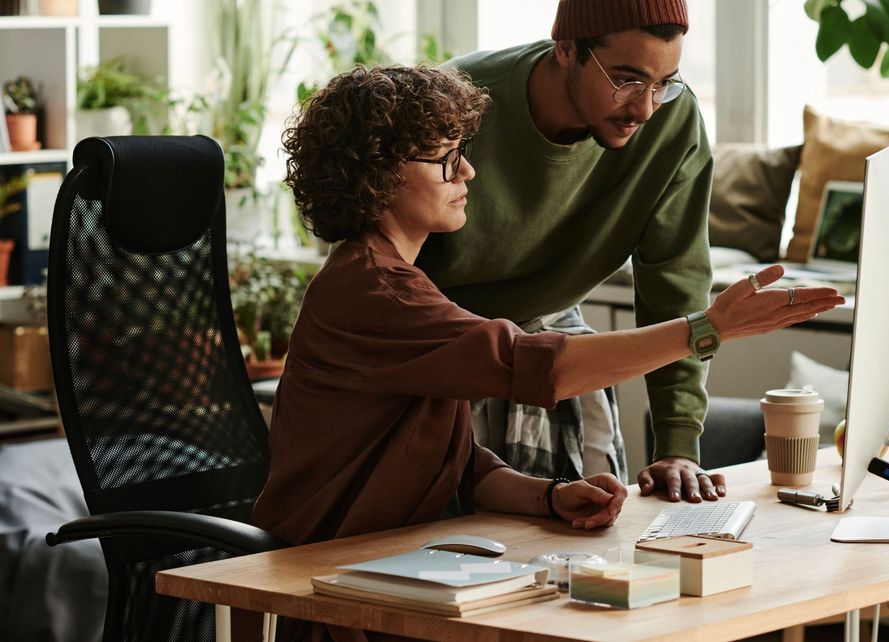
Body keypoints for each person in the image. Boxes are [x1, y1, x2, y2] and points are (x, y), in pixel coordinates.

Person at [253, 65, 842, 552]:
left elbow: (456, 467)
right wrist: (706, 329)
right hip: (323, 581)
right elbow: (541, 367)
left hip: (387, 562)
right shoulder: (375, 293)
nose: (468, 171)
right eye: (446, 159)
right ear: (376, 178)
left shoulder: (395, 277)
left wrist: (549, 495)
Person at [417, 0, 726, 502]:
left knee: (596, 540)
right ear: (566, 49)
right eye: (627, 79)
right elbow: (377, 275)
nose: (645, 108)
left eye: (663, 82)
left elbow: (677, 285)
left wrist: (678, 445)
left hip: (553, 338)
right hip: (435, 354)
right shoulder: (457, 105)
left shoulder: (671, 120)